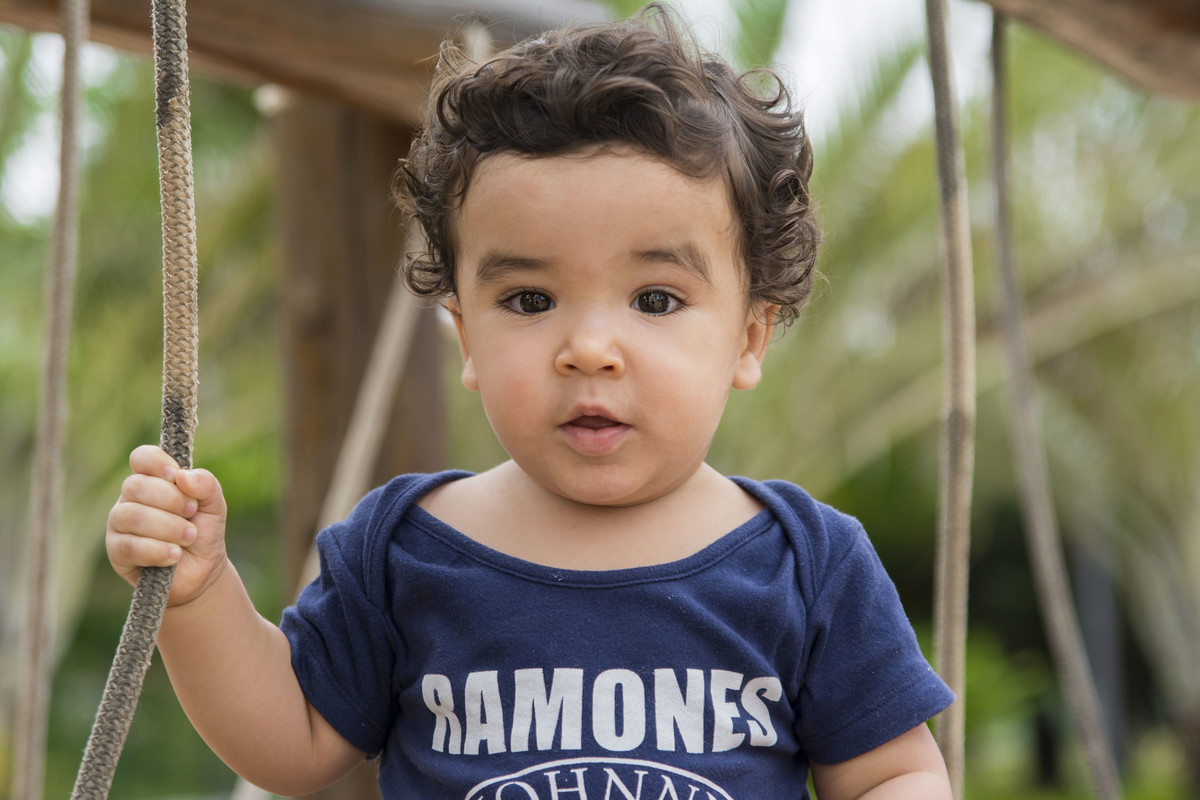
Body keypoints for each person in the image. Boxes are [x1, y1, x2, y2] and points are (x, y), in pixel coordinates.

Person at [105, 5, 954, 798]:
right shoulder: (403, 552)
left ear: (749, 338)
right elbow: (292, 740)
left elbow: (890, 772)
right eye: (529, 301)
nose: (588, 348)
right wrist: (200, 594)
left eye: (655, 300)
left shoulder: (809, 566)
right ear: (466, 335)